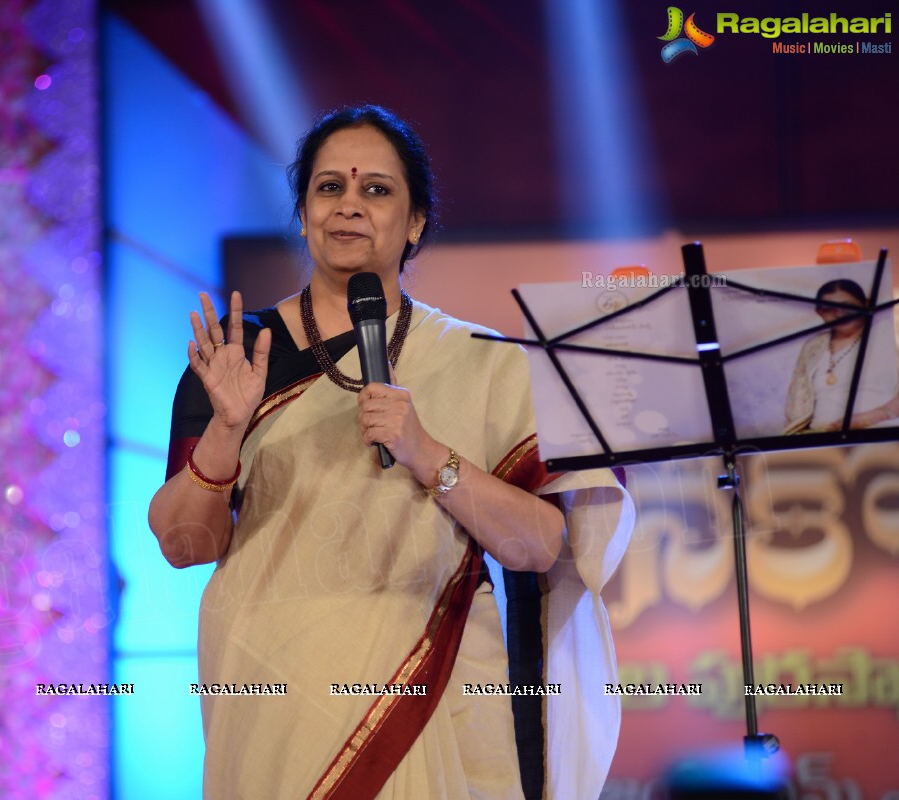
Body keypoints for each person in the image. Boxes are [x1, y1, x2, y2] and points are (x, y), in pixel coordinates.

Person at [148, 105, 634, 799]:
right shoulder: (239, 354)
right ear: (303, 212)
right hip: (275, 699)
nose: (349, 206)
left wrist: (428, 453)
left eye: (376, 189)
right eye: (328, 189)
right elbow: (183, 543)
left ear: (415, 223)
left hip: (432, 691)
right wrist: (226, 430)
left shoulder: (488, 363)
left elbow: (546, 546)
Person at [783, 278, 899, 434]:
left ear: (866, 304)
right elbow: (796, 403)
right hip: (820, 436)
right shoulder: (813, 346)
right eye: (830, 308)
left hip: (880, 433)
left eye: (848, 306)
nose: (839, 313)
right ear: (820, 313)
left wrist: (869, 418)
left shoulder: (889, 333)